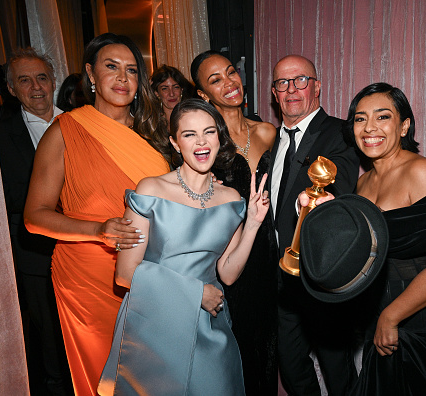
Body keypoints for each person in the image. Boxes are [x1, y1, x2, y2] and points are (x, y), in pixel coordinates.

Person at [304, 82, 426, 395]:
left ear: (404, 125)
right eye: (360, 119)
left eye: (383, 117)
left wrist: (391, 317)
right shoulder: (362, 184)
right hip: (386, 320)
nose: (370, 128)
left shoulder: (422, 172)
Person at [23, 33, 171, 396]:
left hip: (147, 273)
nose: (123, 78)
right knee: (103, 376)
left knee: (152, 375)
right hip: (86, 276)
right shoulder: (64, 131)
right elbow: (34, 216)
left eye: (132, 70)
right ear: (90, 74)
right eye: (111, 67)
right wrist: (98, 229)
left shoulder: (153, 135)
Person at [98, 99, 270, 395]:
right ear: (175, 143)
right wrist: (195, 293)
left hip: (210, 324)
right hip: (154, 322)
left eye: (209, 132)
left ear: (219, 137)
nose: (201, 142)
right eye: (189, 134)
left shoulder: (231, 199)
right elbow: (125, 274)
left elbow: (227, 274)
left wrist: (253, 223)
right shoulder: (150, 190)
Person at [270, 55, 360, 395]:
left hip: (320, 274)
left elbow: (339, 179)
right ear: (274, 93)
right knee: (292, 371)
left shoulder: (339, 132)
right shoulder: (270, 140)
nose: (291, 89)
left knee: (338, 374)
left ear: (317, 86)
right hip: (280, 279)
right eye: (282, 83)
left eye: (301, 80)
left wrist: (305, 203)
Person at [191, 50, 278, 395]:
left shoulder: (269, 131)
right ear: (202, 95)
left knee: (270, 350)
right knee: (237, 357)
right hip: (229, 259)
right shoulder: (206, 143)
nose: (229, 83)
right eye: (215, 80)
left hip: (271, 254)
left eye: (231, 73)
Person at [0, 47, 71, 396]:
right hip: (35, 250)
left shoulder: (80, 121)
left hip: (88, 244)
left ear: (54, 81)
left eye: (42, 77)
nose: (36, 87)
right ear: (11, 89)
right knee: (49, 332)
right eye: (24, 80)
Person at [150, 64, 194, 129]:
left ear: (181, 90)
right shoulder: (151, 123)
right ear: (157, 93)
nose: (171, 94)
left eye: (176, 87)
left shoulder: (193, 117)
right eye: (165, 88)